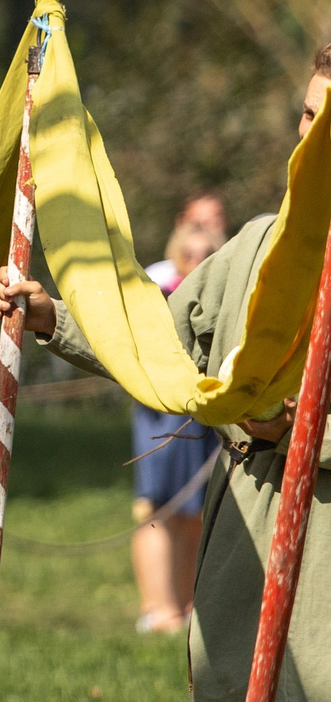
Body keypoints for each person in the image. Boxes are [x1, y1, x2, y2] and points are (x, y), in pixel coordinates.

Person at [0, 44, 331, 702]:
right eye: (307, 114)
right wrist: (55, 316)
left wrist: (305, 427)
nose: (311, 135)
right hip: (258, 536)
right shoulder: (255, 244)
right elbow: (161, 339)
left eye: (327, 121)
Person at [128, 198, 226, 635]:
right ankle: (156, 607)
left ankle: (185, 607)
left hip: (205, 411)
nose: (196, 262)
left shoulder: (224, 291)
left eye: (205, 256)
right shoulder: (156, 281)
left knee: (195, 510)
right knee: (158, 507)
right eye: (190, 254)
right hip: (160, 412)